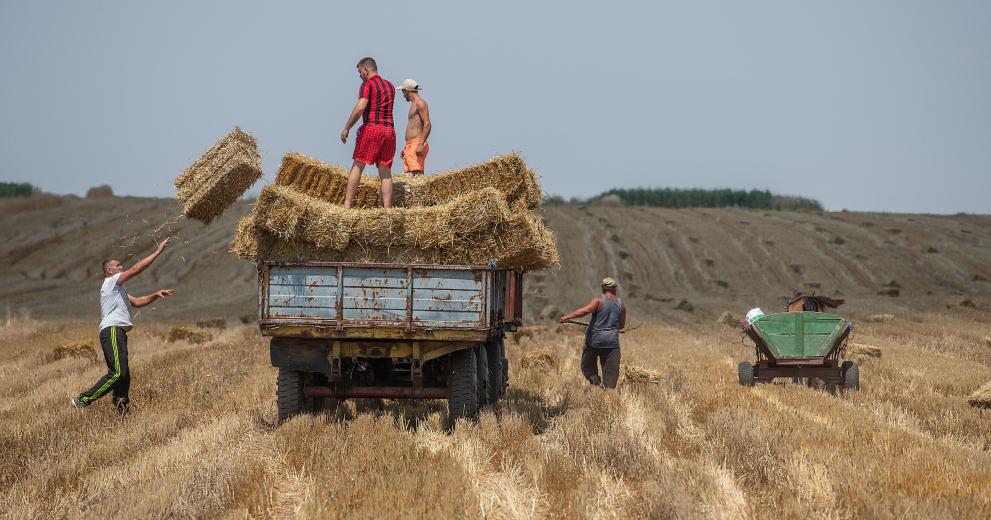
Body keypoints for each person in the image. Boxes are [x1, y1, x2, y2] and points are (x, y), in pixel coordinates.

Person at [71, 239, 174, 415]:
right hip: (111, 330)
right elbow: (136, 269)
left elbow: (137, 302)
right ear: (109, 271)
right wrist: (157, 252)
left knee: (124, 376)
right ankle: (83, 399)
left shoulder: (119, 289)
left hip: (117, 332)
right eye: (118, 265)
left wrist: (155, 295)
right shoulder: (111, 282)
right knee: (117, 373)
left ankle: (123, 415)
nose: (122, 267)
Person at [340, 57, 397, 208]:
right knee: (385, 171)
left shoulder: (368, 84)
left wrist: (347, 127)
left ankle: (347, 205)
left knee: (358, 164)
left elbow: (360, 107)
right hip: (389, 130)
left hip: (372, 128)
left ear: (366, 70)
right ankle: (387, 210)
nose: (359, 75)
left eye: (360, 72)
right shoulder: (390, 86)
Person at [560, 277, 627, 389]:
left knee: (587, 366)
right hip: (612, 344)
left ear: (603, 288)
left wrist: (568, 317)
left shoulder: (598, 300)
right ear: (615, 289)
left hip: (594, 342)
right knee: (611, 375)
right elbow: (621, 326)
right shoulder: (621, 304)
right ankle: (606, 393)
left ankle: (595, 380)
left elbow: (585, 311)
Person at [398, 78, 431, 175]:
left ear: (406, 91)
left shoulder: (420, 103)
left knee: (418, 175)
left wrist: (420, 144)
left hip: (417, 143)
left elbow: (427, 124)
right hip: (411, 143)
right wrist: (406, 147)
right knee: (414, 176)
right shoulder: (414, 105)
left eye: (403, 92)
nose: (403, 95)